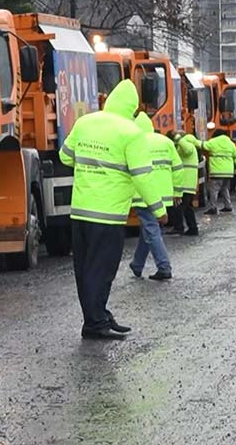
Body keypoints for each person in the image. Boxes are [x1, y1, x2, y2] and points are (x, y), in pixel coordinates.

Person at [59, 80, 166, 341]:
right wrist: (159, 209)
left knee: (84, 269)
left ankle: (97, 317)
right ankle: (96, 324)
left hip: (81, 210)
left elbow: (65, 156)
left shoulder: (86, 122)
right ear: (131, 107)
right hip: (108, 215)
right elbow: (143, 176)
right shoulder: (131, 132)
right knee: (102, 269)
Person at [129, 113, 178, 281]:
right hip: (164, 195)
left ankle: (164, 267)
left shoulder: (135, 142)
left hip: (144, 195)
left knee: (151, 229)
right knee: (148, 230)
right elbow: (177, 167)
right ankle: (137, 265)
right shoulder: (166, 141)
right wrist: (178, 192)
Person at [167, 130, 200, 236]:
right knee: (187, 208)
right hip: (188, 182)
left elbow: (188, 150)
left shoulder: (187, 143)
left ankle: (179, 228)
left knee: (178, 206)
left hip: (185, 182)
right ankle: (192, 228)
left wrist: (177, 138)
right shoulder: (186, 145)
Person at [201, 129, 236, 215]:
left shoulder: (213, 142)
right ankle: (228, 206)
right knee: (225, 189)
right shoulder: (230, 143)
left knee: (213, 190)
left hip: (217, 172)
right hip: (229, 173)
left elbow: (202, 145)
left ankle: (213, 208)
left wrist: (189, 139)